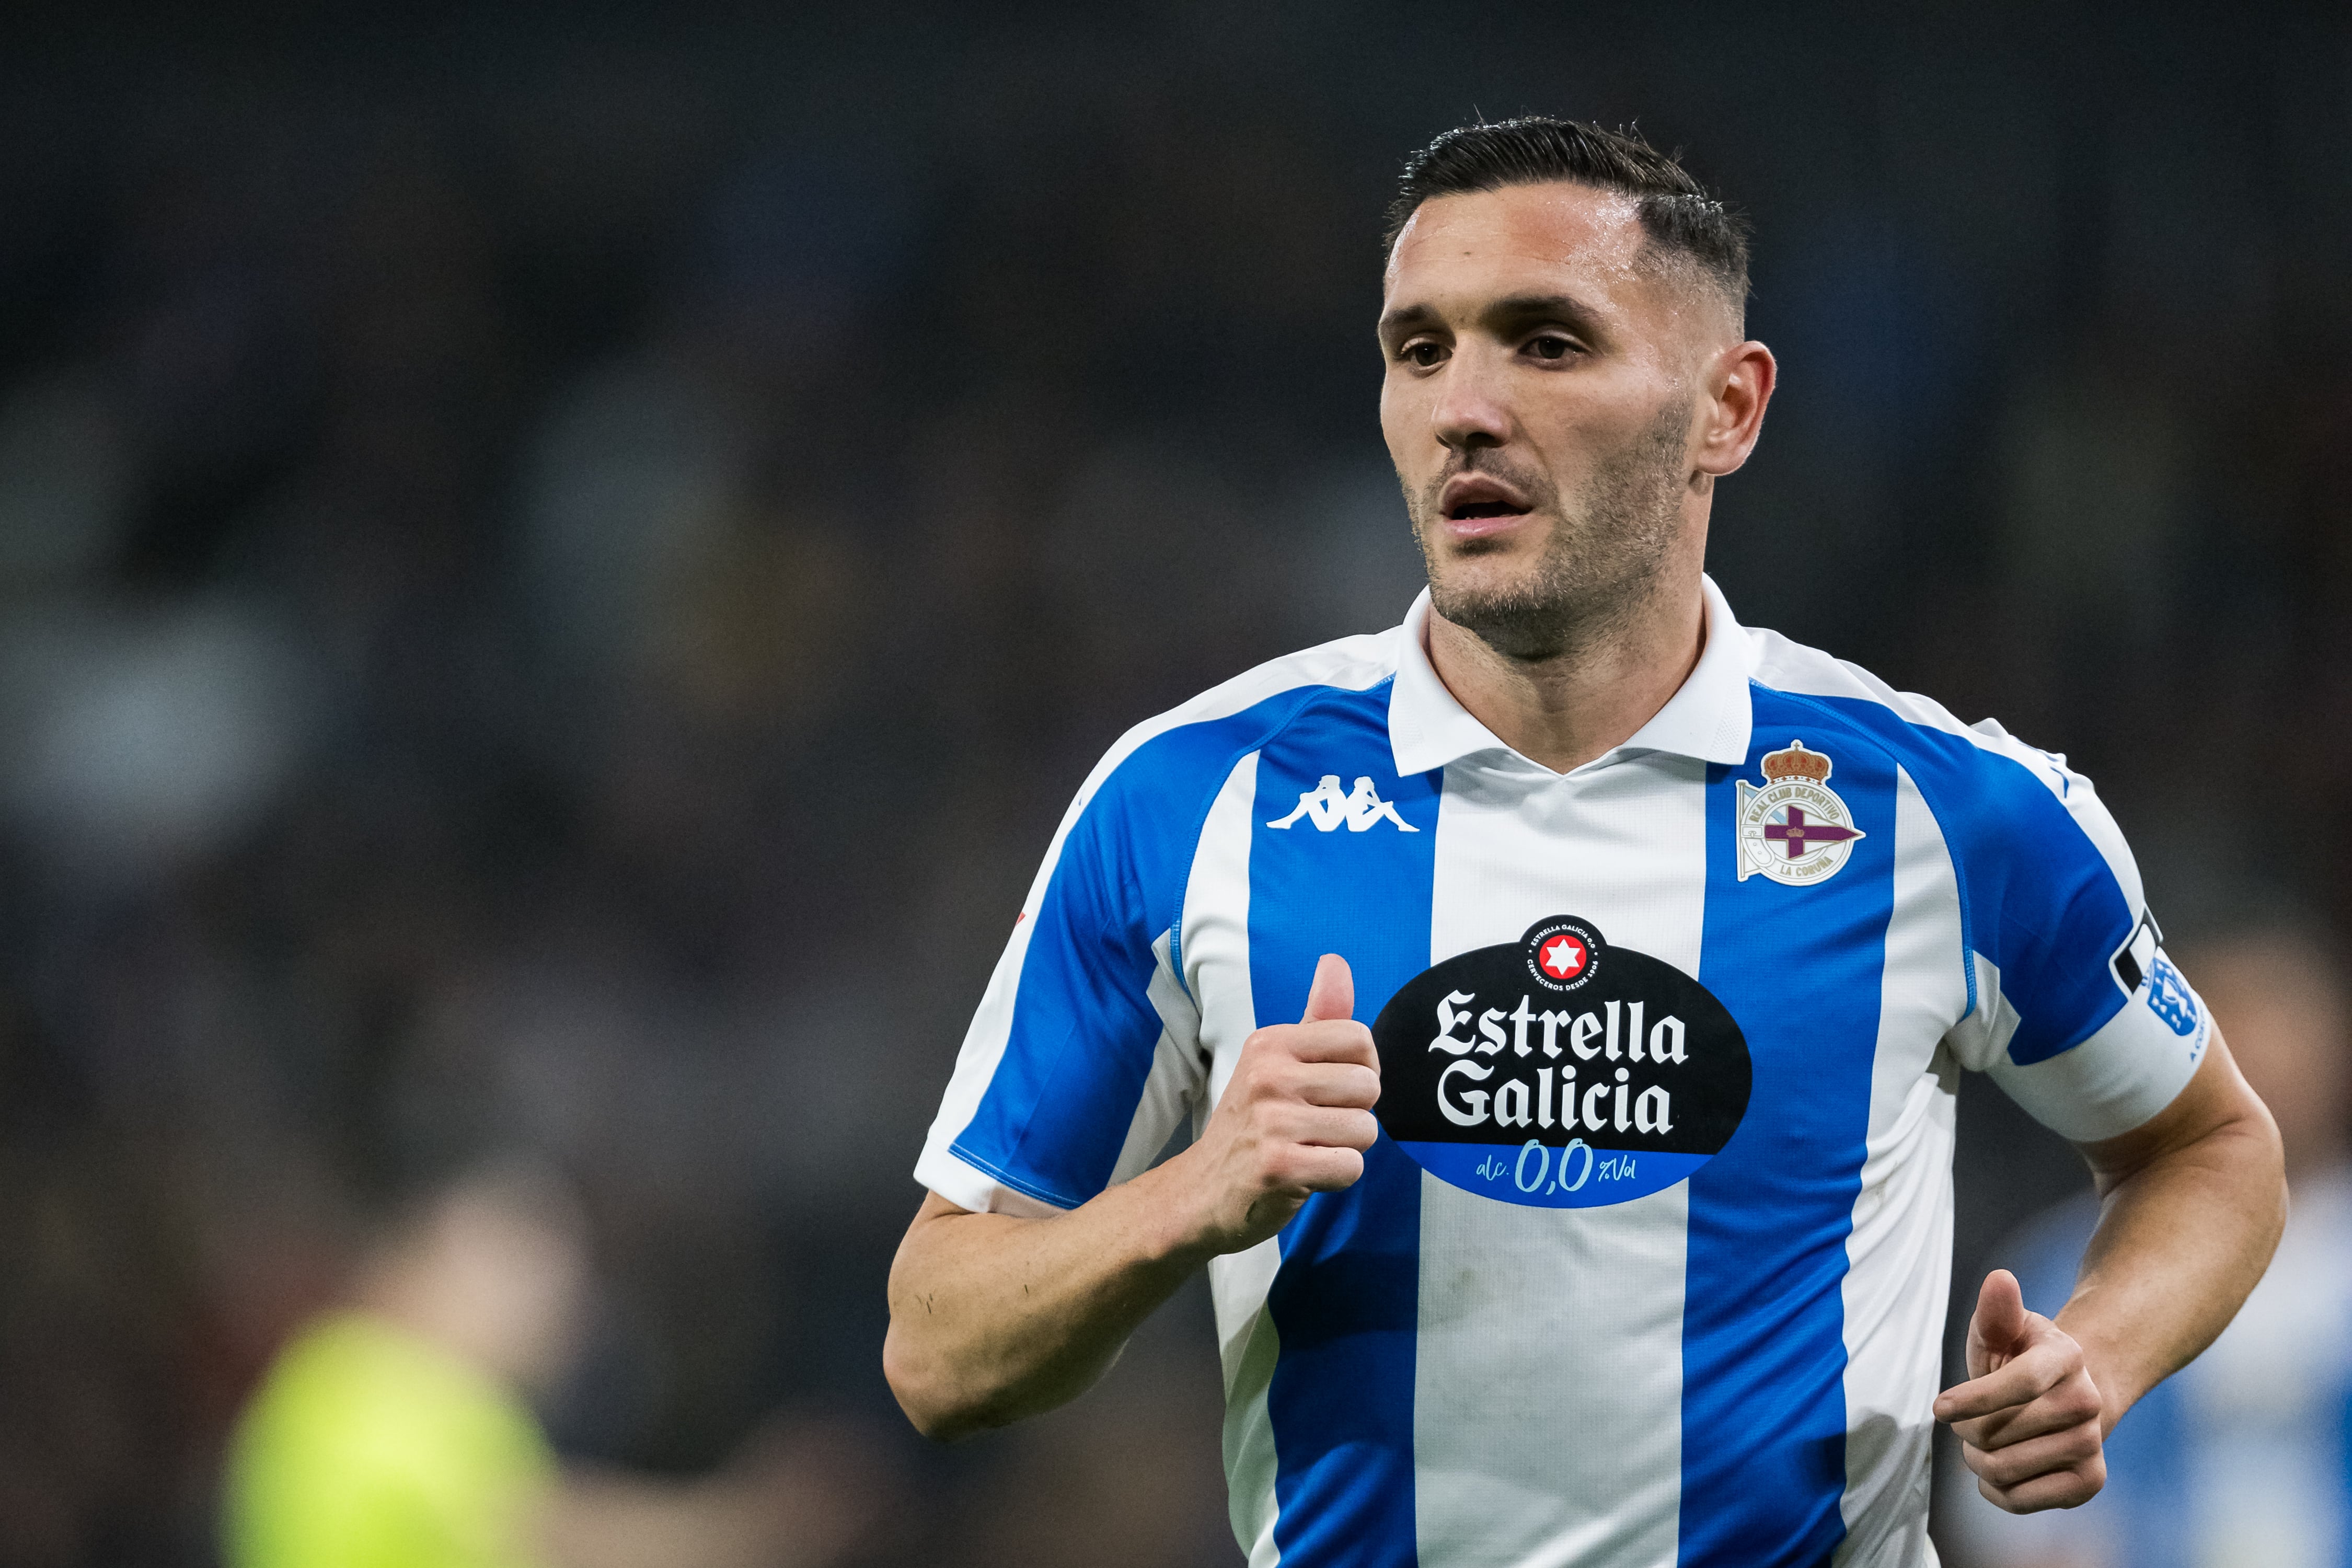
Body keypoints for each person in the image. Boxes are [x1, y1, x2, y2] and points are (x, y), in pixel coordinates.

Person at [881, 117, 2287, 1566]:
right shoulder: (1192, 798)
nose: (1463, 408)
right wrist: (1190, 1193)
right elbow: (938, 1352)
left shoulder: (1950, 811)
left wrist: (2098, 1358)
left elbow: (2208, 1147)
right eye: (1418, 350)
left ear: (1725, 411)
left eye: (1545, 343)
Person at [223, 1159, 874, 1568]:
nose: (551, 1312)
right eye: (517, 1271)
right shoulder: (375, 1380)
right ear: (422, 1264)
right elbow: (548, 1535)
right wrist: (755, 1528)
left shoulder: (383, 1388)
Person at [1947, 924, 2352, 1568]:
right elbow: (2019, 1517)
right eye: (2236, 1022)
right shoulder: (2069, 1262)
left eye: (2285, 1022)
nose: (2268, 1056)